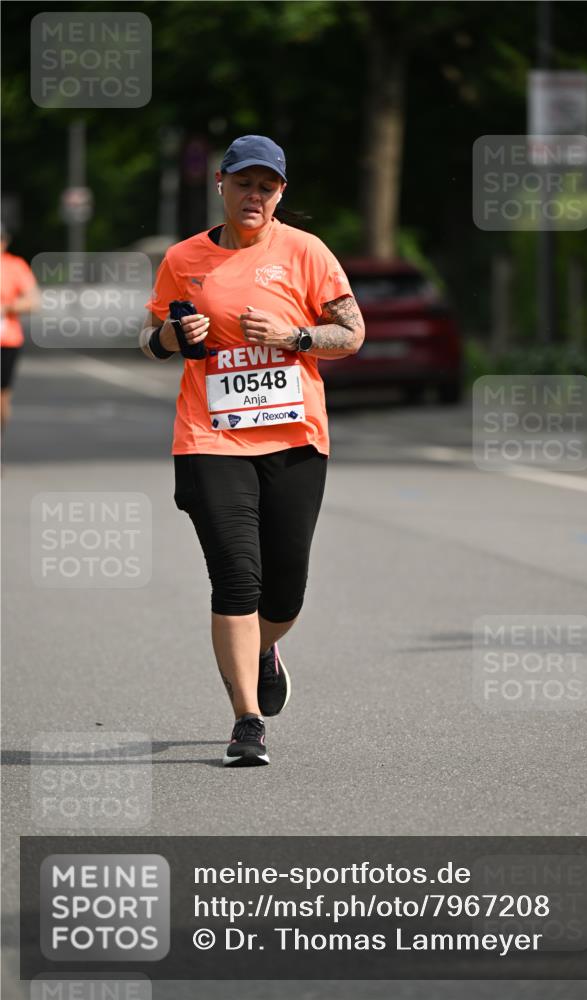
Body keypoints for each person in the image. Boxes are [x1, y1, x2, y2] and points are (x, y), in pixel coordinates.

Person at [140, 135, 364, 766]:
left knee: (284, 590)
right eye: (244, 183)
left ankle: (265, 647)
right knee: (237, 577)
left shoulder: (306, 252)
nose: (254, 195)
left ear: (281, 194)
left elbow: (351, 334)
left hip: (293, 438)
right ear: (222, 184)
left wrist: (296, 335)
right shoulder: (184, 258)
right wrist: (173, 334)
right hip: (209, 437)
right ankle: (247, 720)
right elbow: (152, 339)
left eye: (267, 186)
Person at [1, 224, 40, 434]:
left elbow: (34, 301)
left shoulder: (15, 266)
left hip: (6, 341)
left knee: (2, 398)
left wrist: (7, 307)